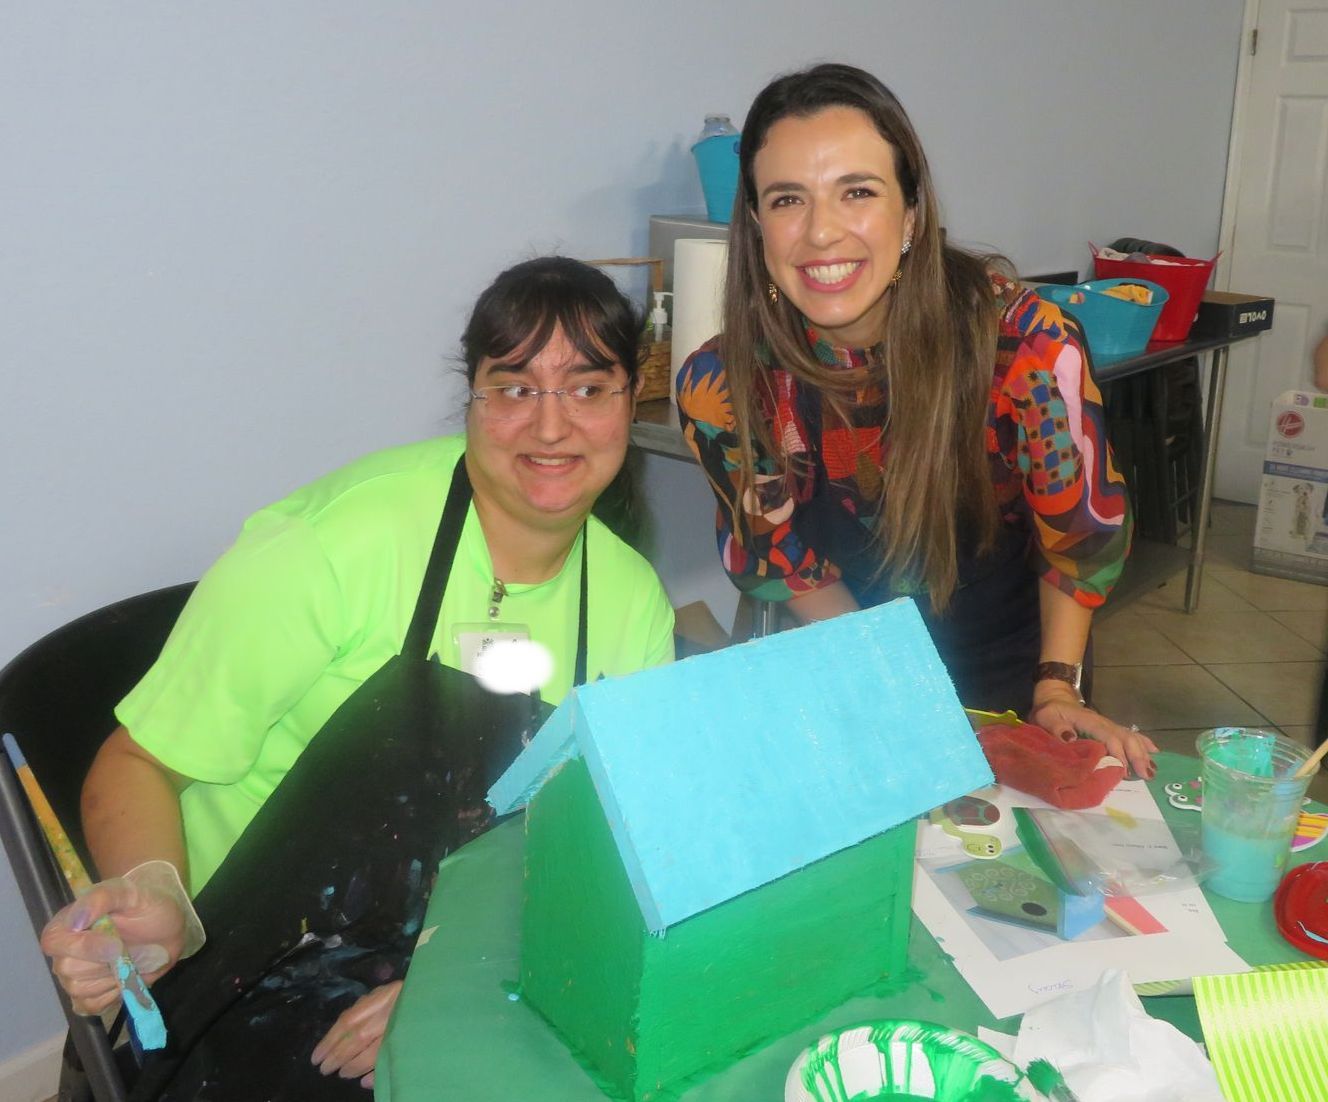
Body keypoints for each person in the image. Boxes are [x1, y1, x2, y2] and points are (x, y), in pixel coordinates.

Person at [40, 256, 675, 1098]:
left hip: (448, 951)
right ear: (472, 398)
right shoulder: (332, 546)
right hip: (239, 965)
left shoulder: (632, 601)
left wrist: (461, 978)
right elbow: (136, 763)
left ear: (632, 401)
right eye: (515, 388)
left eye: (589, 389)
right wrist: (160, 899)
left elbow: (602, 846)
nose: (551, 427)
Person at [676, 63, 1155, 778]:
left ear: (909, 216)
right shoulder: (724, 386)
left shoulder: (1024, 348)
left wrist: (1058, 687)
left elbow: (1082, 543)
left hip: (1019, 681)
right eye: (787, 199)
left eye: (858, 192)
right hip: (862, 670)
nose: (821, 232)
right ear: (755, 225)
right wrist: (890, 686)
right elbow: (784, 561)